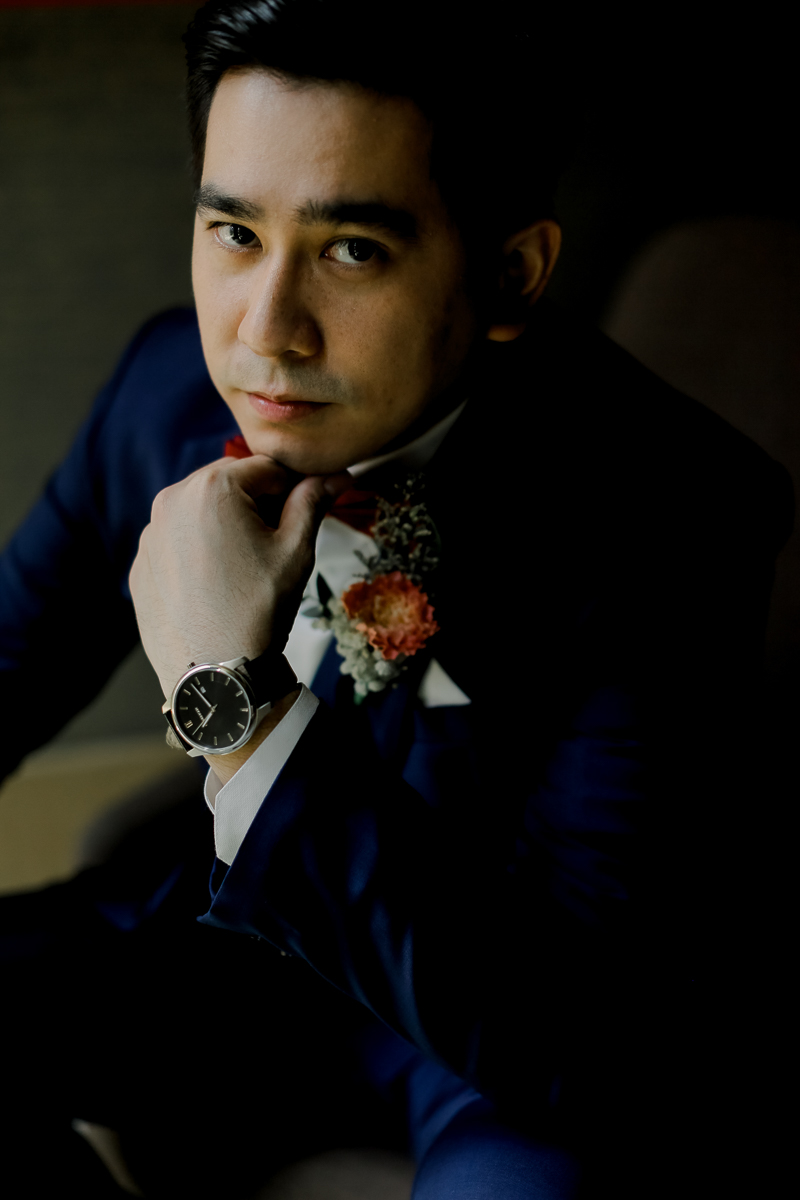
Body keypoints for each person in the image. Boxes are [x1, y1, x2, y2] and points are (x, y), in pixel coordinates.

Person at [0, 1, 792, 1196]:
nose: (265, 332)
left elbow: (585, 1032)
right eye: (233, 232)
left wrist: (235, 702)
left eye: (351, 251)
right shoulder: (162, 390)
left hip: (487, 1015)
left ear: (510, 274)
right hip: (200, 941)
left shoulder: (674, 511)